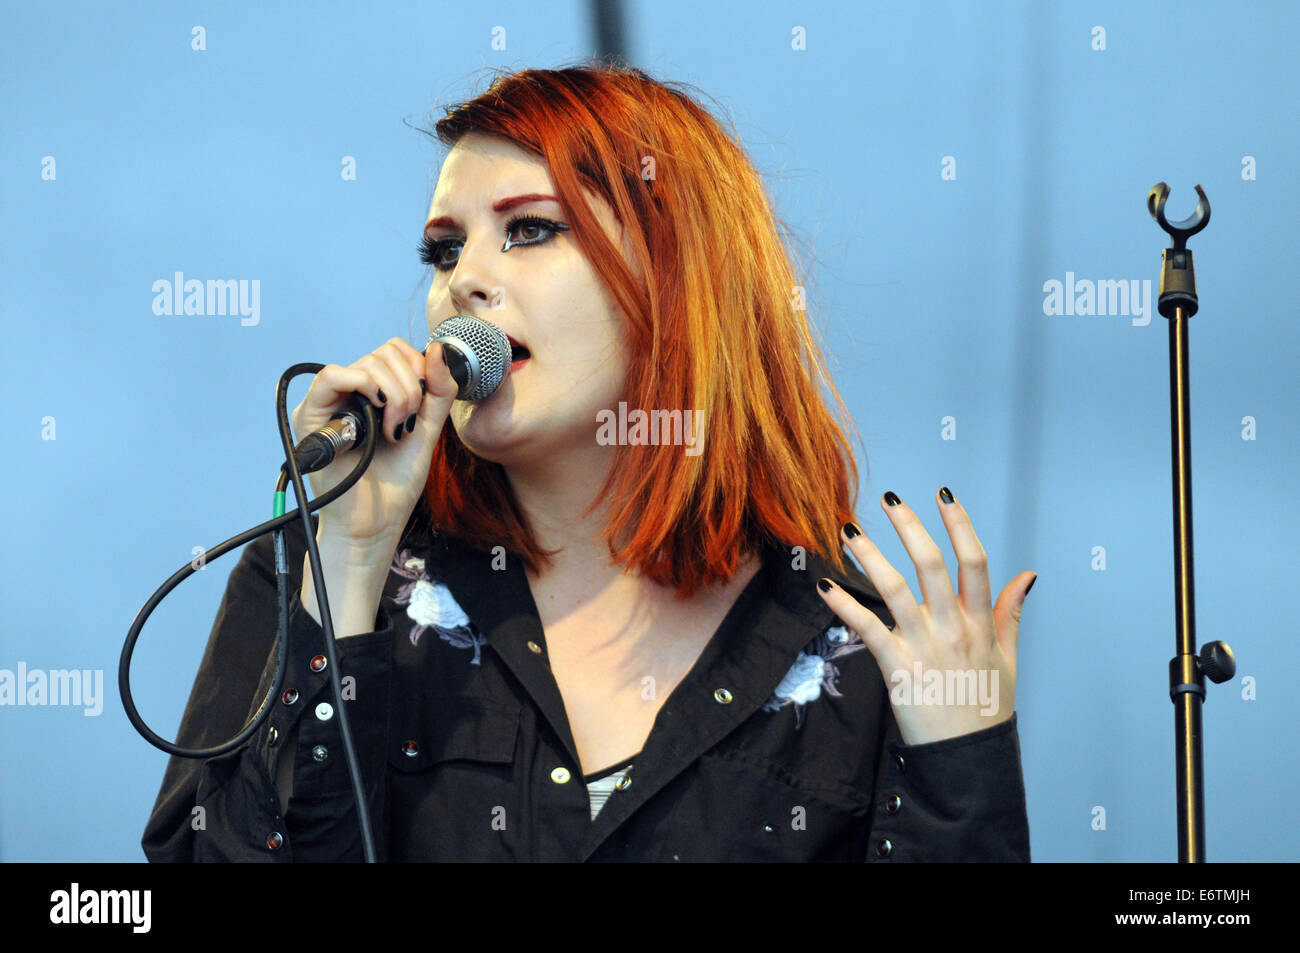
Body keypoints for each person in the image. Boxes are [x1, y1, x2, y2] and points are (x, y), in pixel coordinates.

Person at [142, 62, 1034, 862]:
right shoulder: (320, 570)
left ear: (676, 272)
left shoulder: (855, 642)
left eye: (527, 231)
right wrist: (345, 574)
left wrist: (963, 772)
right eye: (444, 250)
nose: (463, 282)